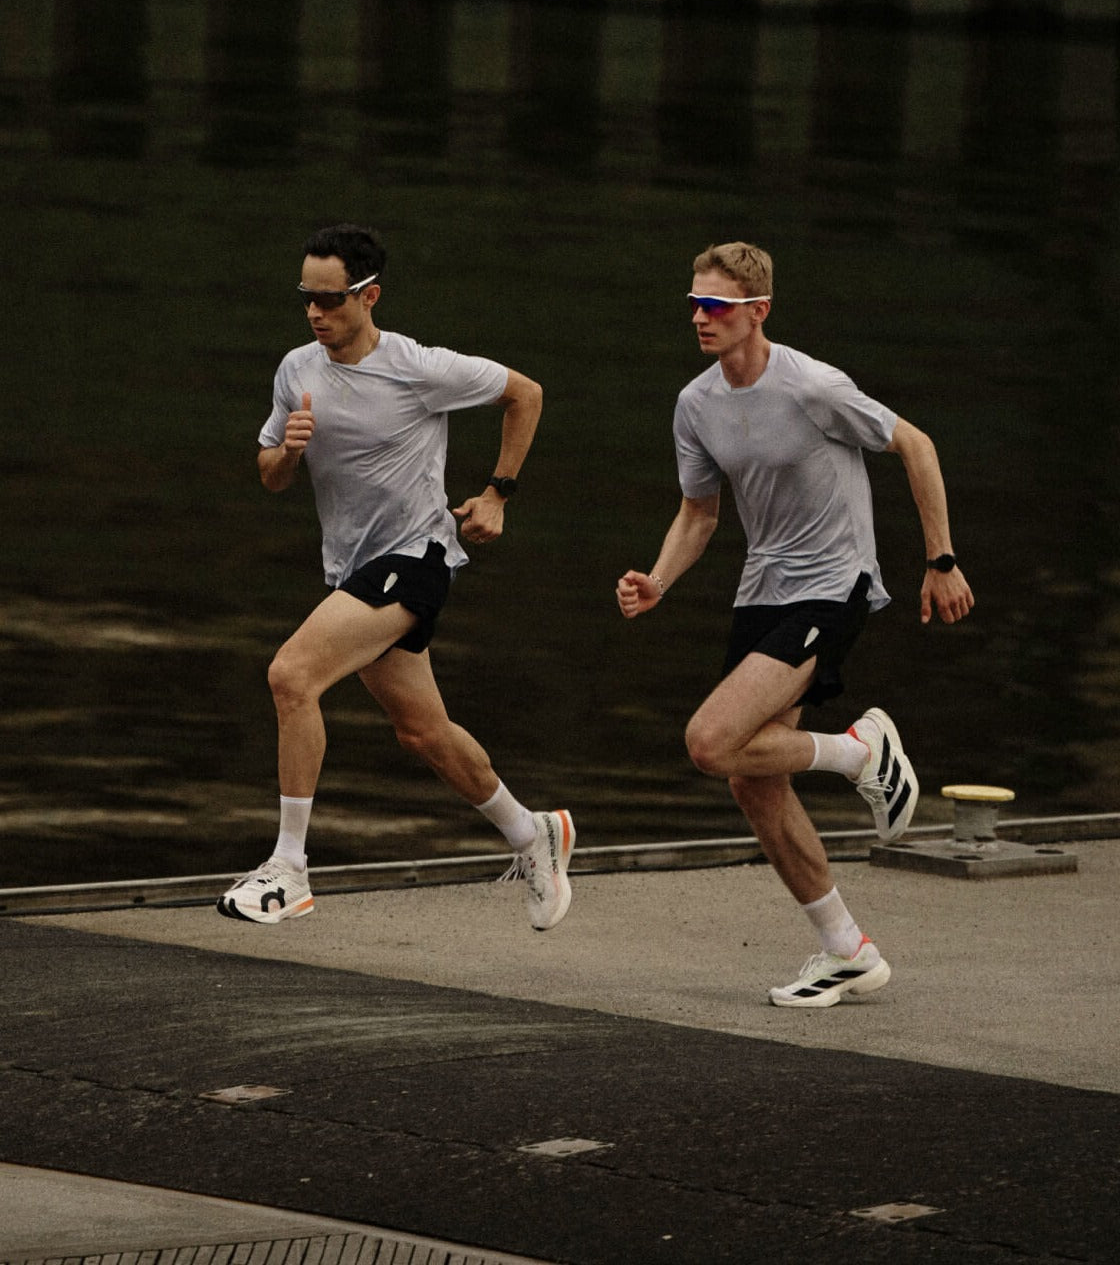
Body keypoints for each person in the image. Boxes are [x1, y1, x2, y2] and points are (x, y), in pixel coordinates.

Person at [616, 241, 973, 1007]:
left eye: (716, 306)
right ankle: (848, 949)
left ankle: (857, 752)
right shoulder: (695, 403)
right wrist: (659, 581)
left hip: (834, 587)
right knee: (754, 783)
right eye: (694, 303)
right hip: (762, 594)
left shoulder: (814, 386)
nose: (700, 317)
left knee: (710, 742)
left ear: (758, 312)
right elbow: (699, 513)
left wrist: (940, 561)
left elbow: (917, 445)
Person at [218, 223, 574, 931]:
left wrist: (498, 492)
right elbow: (269, 477)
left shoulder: (418, 367)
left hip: (417, 559)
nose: (317, 313)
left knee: (291, 676)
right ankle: (531, 833)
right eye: (307, 299)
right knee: (424, 732)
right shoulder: (297, 370)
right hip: (353, 569)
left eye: (331, 299)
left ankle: (289, 869)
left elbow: (524, 393)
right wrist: (288, 453)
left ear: (369, 295)